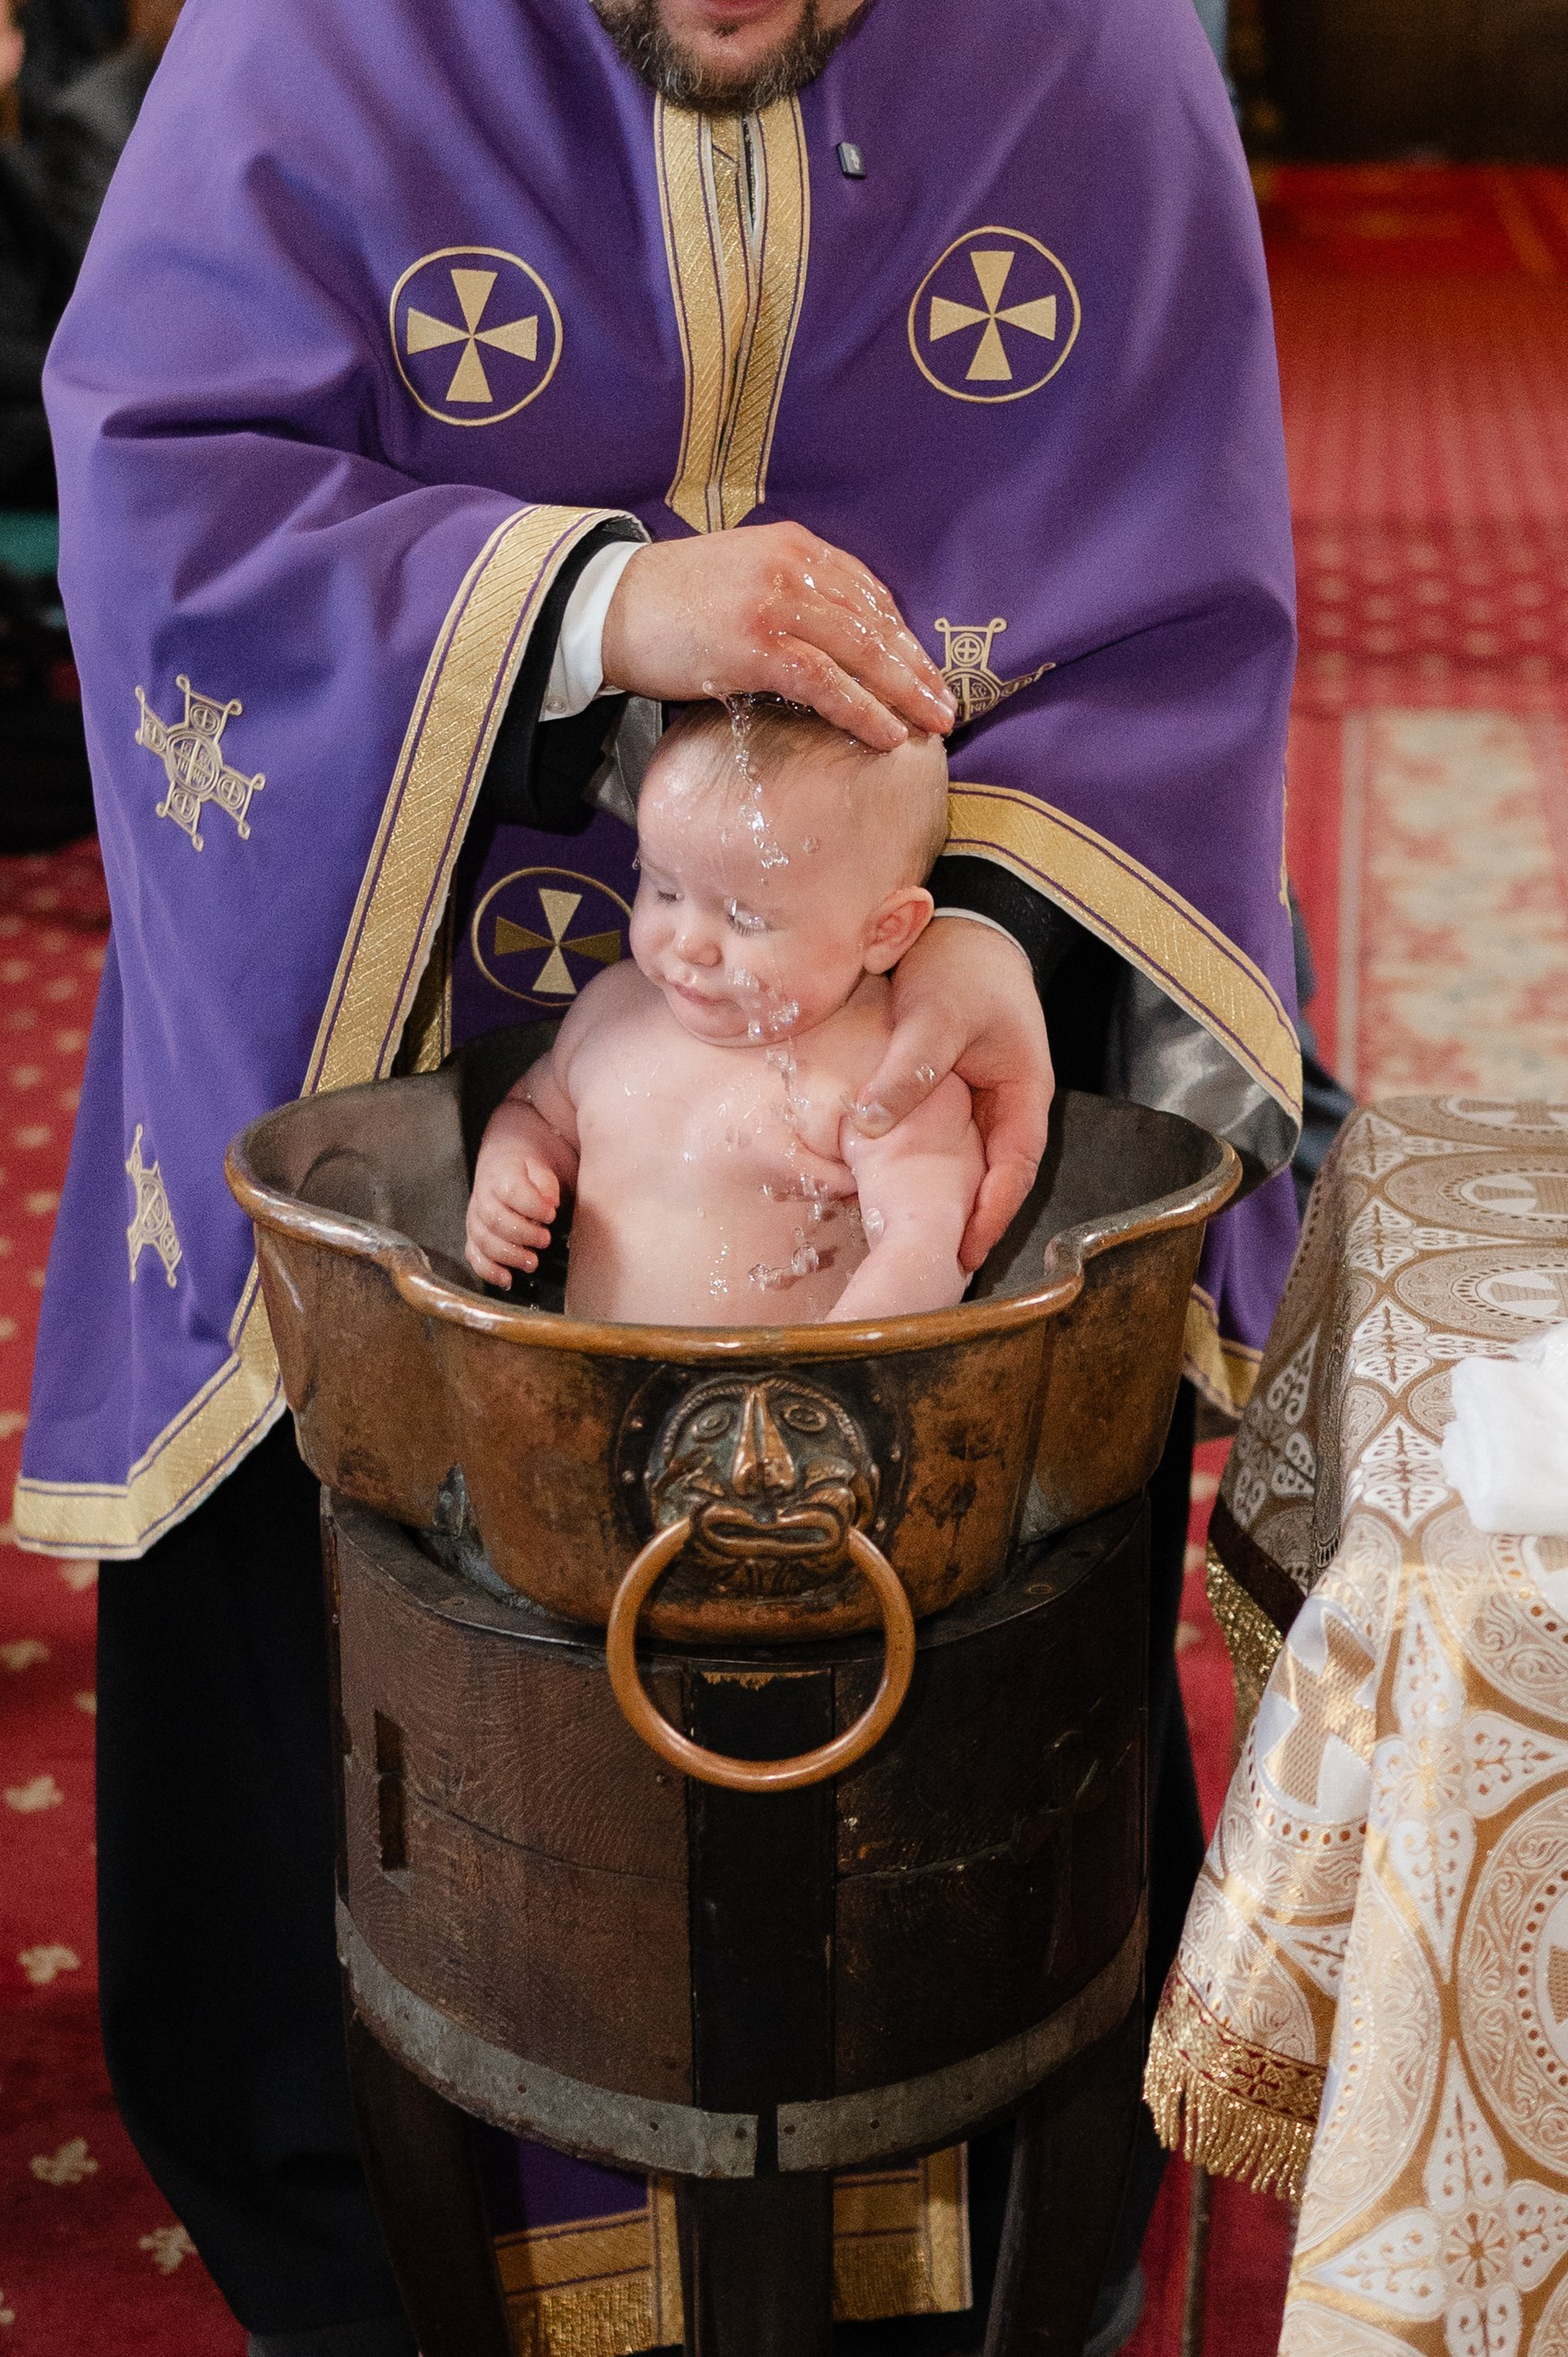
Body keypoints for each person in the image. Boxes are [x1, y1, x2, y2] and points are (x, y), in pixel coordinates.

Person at [17, 1, 1303, 2351]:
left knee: (971, 1869)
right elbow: (167, 509)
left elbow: (1174, 615)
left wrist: (983, 952)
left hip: (897, 1086)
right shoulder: (313, 41)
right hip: (389, 1031)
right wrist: (598, 606)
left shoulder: (1091, 56)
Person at [468, 696, 981, 1323]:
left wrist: (838, 1361)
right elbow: (537, 1111)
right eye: (664, 889)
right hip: (596, 1392)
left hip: (790, 1407)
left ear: (885, 930)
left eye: (745, 917)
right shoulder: (613, 1013)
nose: (688, 942)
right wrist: (511, 1170)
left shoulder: (888, 1071)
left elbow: (928, 1244)